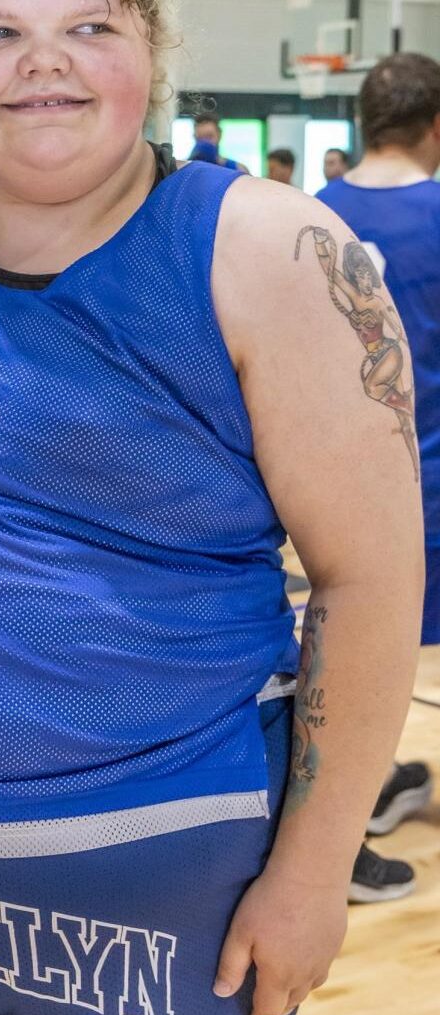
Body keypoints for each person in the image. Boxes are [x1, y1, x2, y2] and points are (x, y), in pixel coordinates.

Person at [0, 3, 423, 1015]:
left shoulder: (272, 248)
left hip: (155, 869)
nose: (43, 61)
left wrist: (312, 871)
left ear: (155, 50)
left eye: (91, 26)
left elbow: (370, 575)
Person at [315, 50, 440, 900]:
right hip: (429, 474)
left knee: (353, 650)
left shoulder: (308, 211)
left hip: (330, 479)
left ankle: (361, 798)